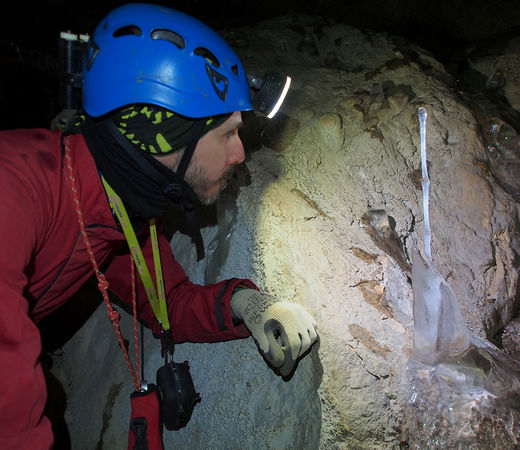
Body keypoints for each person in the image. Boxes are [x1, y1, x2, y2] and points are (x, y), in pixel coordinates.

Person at [0, 3, 318, 448]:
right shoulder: (15, 186)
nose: (239, 153)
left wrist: (247, 304)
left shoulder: (121, 211)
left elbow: (170, 301)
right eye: (226, 134)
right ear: (165, 140)